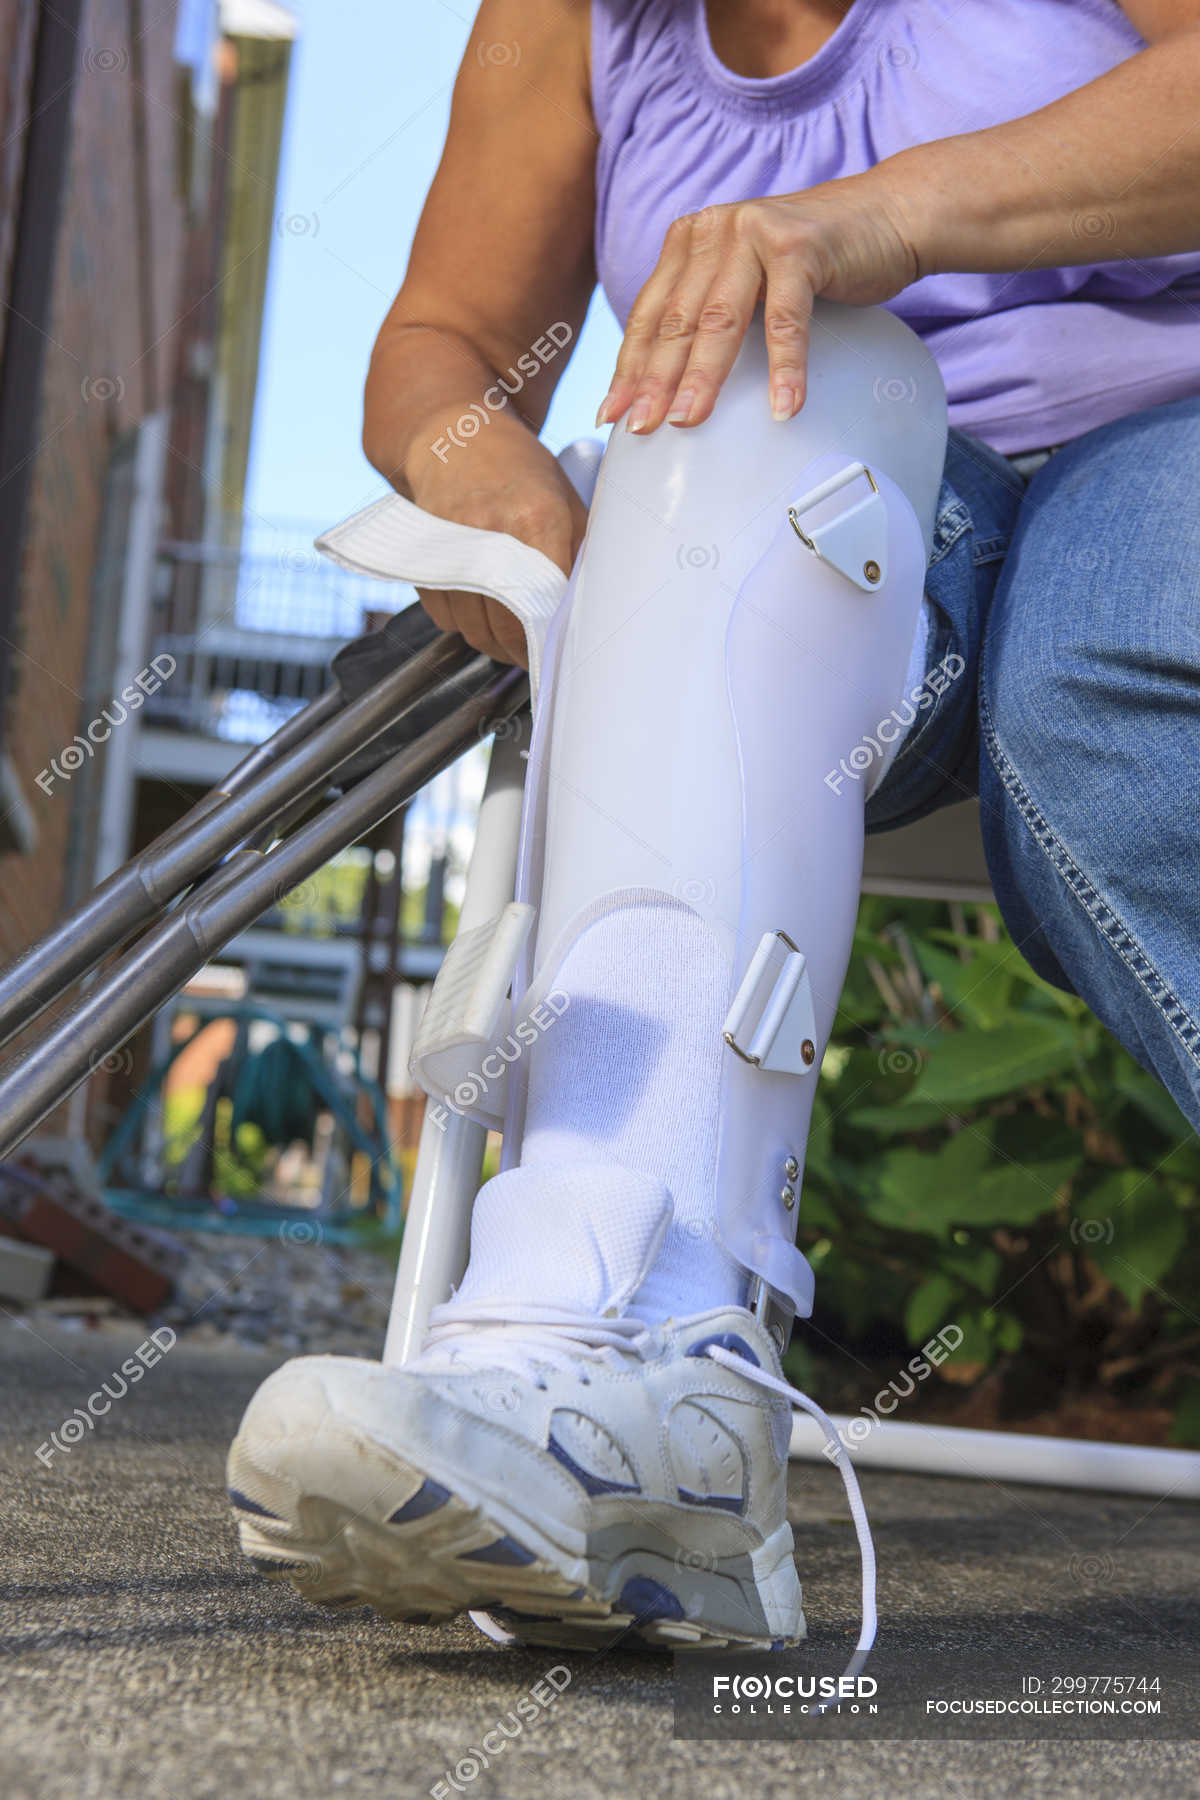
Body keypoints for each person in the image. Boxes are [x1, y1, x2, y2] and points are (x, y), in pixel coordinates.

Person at [227, 0, 1200, 1655]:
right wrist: (491, 475)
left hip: (1158, 446)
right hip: (838, 526)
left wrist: (876, 216)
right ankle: (631, 1361)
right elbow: (441, 338)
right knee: (715, 403)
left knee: (1091, 677)